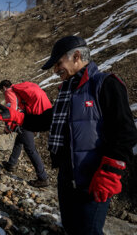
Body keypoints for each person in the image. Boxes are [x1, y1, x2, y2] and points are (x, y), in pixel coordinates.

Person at [23, 36, 137, 234]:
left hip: (94, 177)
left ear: (76, 56)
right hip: (67, 175)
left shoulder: (105, 84)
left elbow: (125, 132)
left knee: (88, 230)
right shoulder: (68, 89)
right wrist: (18, 118)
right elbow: (49, 119)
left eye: (59, 63)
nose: (55, 70)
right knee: (71, 227)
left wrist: (110, 171)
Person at [0, 80, 49, 188]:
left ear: (4, 87)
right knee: (19, 141)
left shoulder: (9, 92)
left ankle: (43, 178)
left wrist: (8, 126)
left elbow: (12, 108)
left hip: (23, 122)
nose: (3, 93)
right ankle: (11, 164)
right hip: (28, 119)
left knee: (31, 149)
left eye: (2, 90)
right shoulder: (18, 90)